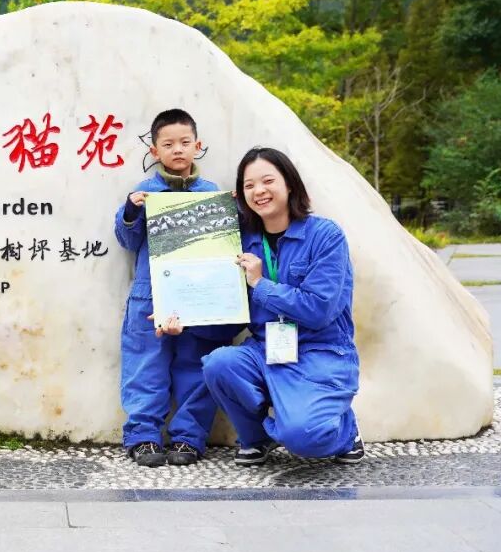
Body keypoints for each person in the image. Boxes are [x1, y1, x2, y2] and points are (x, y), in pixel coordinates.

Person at [203, 147, 365, 466]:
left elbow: (319, 310)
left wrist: (260, 284)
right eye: (249, 185)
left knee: (304, 438)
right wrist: (182, 320)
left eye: (268, 181)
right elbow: (230, 314)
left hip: (320, 353)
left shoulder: (325, 236)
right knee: (218, 364)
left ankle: (345, 432)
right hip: (266, 351)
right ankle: (256, 438)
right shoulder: (243, 241)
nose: (259, 191)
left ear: (289, 184)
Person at [114, 108, 231, 467]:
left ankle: (188, 437)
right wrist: (130, 212)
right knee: (145, 365)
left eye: (184, 142)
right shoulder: (144, 192)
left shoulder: (211, 193)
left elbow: (220, 247)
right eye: (168, 144)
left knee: (195, 364)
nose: (177, 149)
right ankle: (143, 436)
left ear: (198, 145)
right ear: (154, 150)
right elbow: (127, 241)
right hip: (150, 294)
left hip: (198, 293)